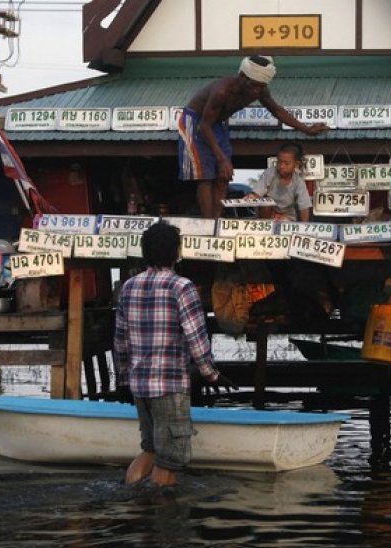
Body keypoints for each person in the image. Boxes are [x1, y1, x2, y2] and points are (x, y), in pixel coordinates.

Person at [113, 221, 236, 487]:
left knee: (150, 449)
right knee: (170, 460)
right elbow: (197, 339)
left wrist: (123, 380)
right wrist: (212, 375)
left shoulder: (129, 287)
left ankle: (130, 501)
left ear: (145, 252)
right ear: (176, 253)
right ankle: (161, 515)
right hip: (169, 386)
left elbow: (121, 341)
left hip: (140, 386)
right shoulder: (182, 287)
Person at [178, 55, 329, 219]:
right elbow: (204, 126)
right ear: (242, 76)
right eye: (254, 86)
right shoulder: (222, 91)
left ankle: (216, 220)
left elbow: (277, 111)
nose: (256, 91)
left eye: (261, 87)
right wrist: (221, 158)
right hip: (196, 122)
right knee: (206, 176)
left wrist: (306, 129)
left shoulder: (260, 89)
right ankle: (207, 222)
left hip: (216, 124)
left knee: (224, 175)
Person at [248, 142, 312, 222]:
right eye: (279, 162)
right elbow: (257, 193)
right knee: (266, 203)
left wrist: (304, 227)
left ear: (296, 164)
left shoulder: (298, 181)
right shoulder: (270, 173)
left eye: (286, 163)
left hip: (287, 217)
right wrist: (251, 197)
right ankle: (264, 226)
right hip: (267, 215)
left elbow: (304, 207)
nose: (282, 166)